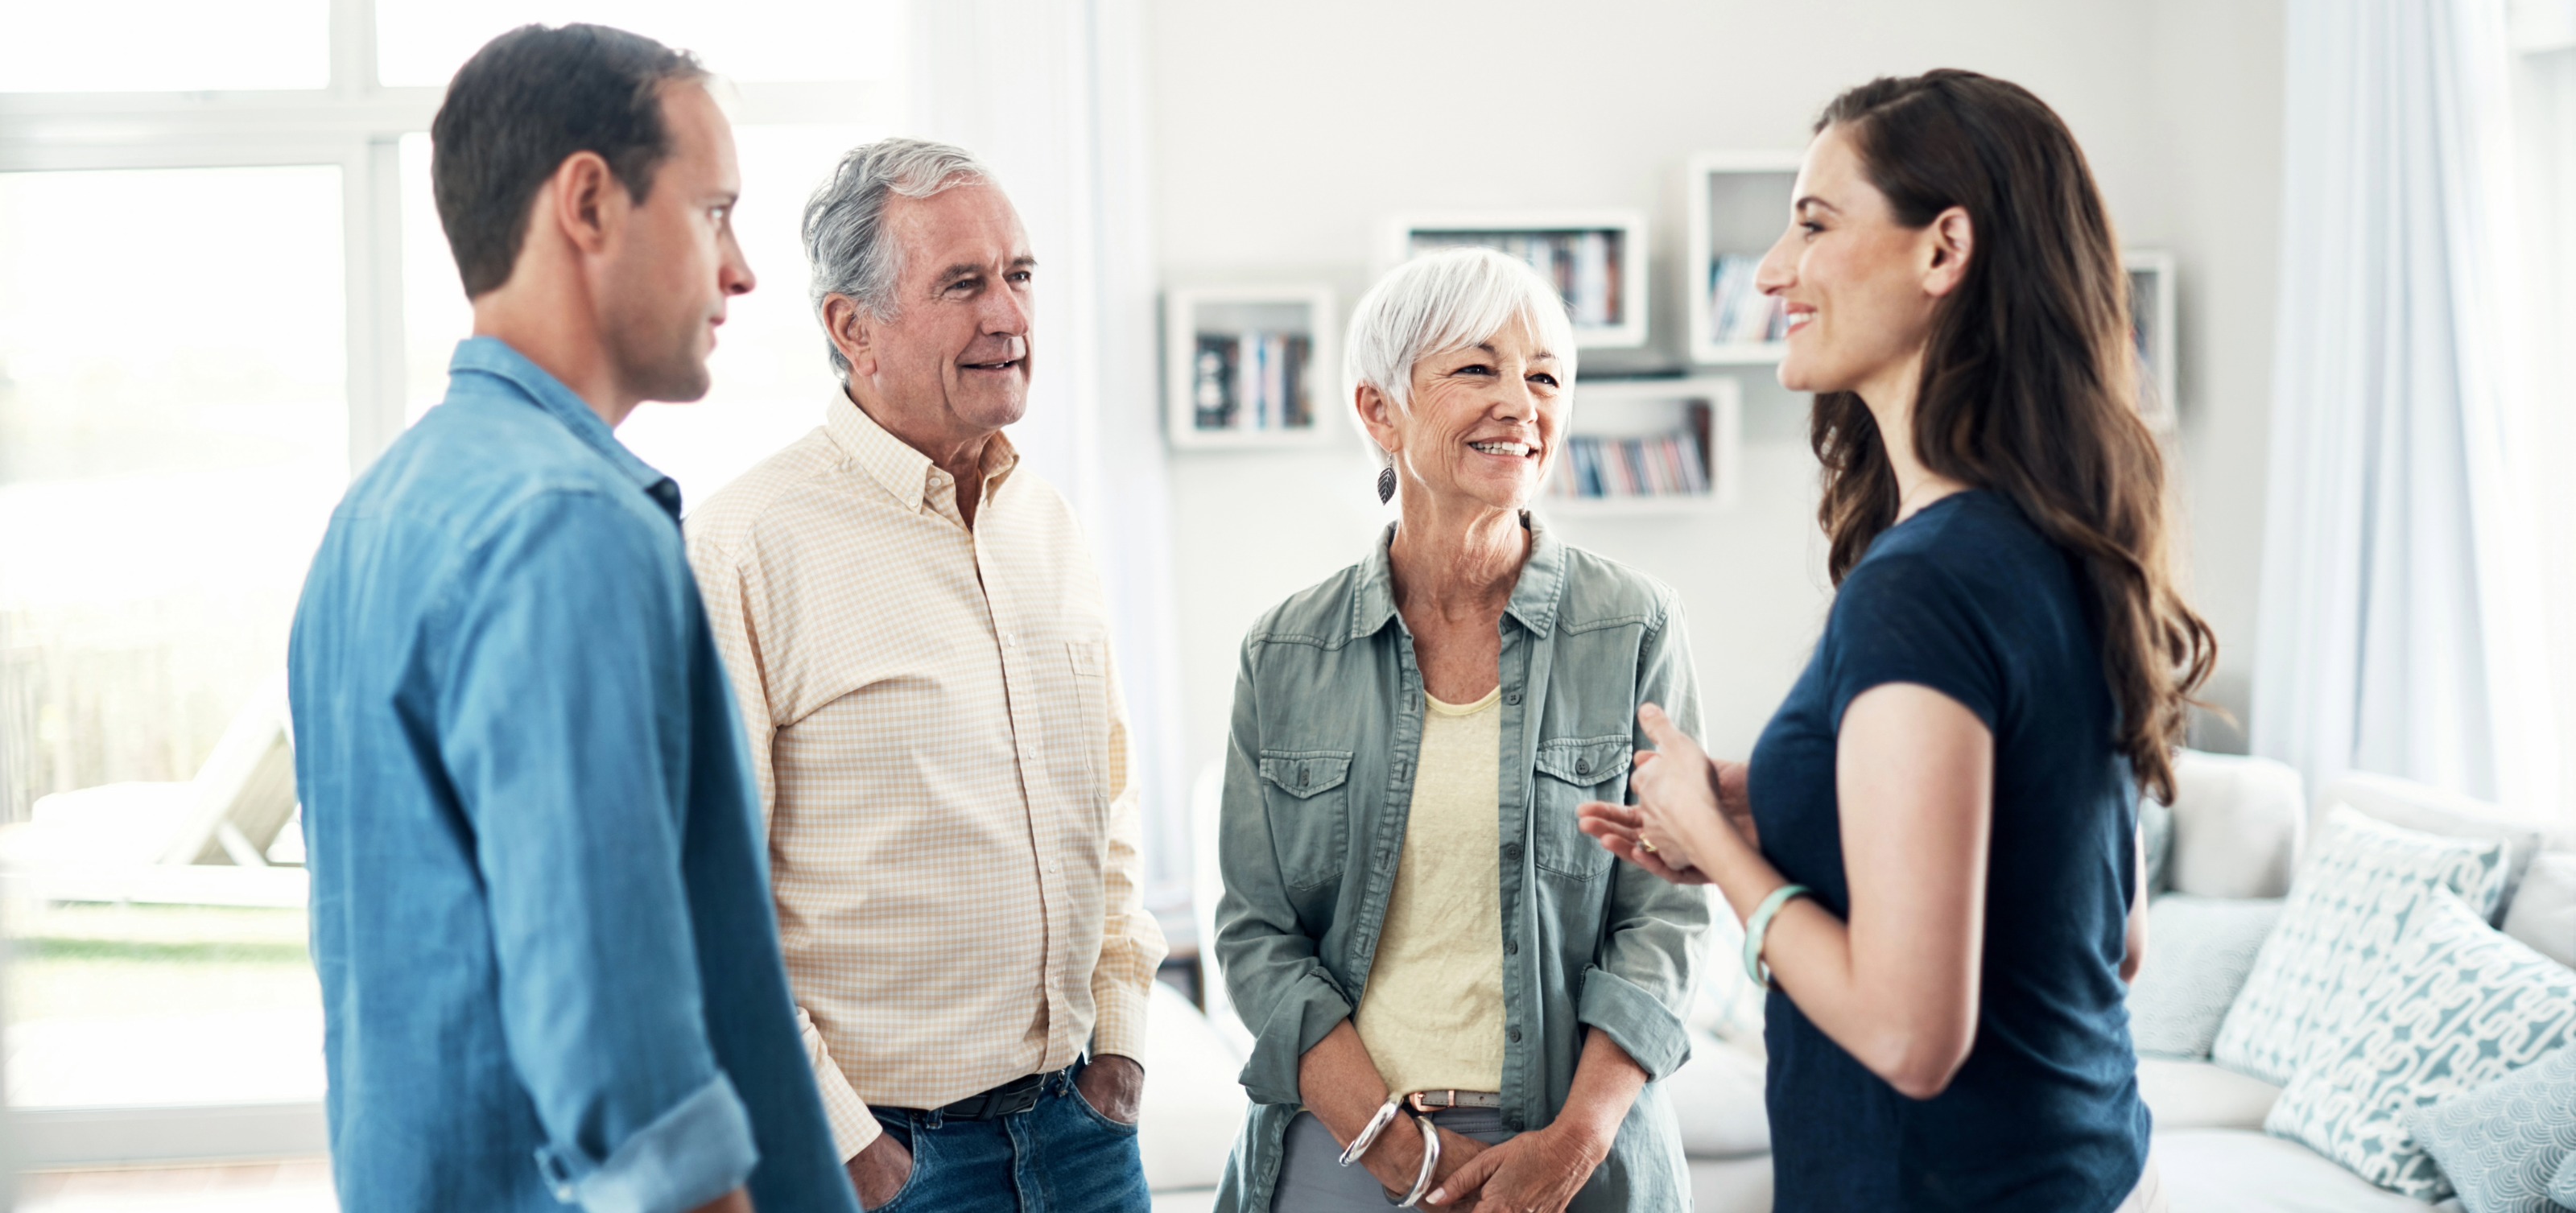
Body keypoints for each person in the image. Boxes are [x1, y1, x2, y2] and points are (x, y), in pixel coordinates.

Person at [1581, 70, 2216, 1213]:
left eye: (1815, 224)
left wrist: (1715, 846)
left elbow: (1911, 1036)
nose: (1773, 271)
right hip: (2097, 1166)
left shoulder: (1919, 588)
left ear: (1943, 249)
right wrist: (1782, 805)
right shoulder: (2063, 545)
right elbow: (2103, 938)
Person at [288, 24, 858, 1213]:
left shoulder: (379, 513)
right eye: (714, 212)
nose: (742, 270)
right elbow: (617, 1038)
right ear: (589, 203)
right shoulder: (566, 528)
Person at [687, 138, 1166, 1213]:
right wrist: (846, 1144)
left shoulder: (1049, 523)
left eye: (1020, 276)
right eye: (963, 284)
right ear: (851, 329)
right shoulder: (743, 549)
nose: (1008, 316)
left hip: (1085, 1136)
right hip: (890, 1165)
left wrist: (1121, 1047)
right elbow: (710, 897)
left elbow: (1109, 800)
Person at [1211, 247, 1710, 1213]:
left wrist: (1573, 1144)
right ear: (1378, 411)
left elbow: (1667, 915)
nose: (1519, 403)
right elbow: (1257, 937)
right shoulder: (1283, 651)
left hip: (1575, 1148)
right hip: (1347, 1144)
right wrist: (1403, 1155)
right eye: (1476, 368)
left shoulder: (1635, 625)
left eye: (1544, 376)